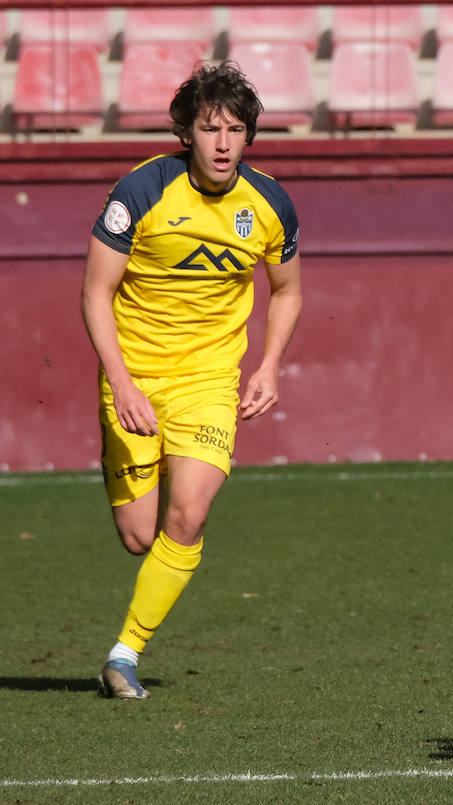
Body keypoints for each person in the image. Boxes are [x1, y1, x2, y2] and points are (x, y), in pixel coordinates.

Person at [82, 63, 303, 700]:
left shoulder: (270, 204)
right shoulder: (141, 190)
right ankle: (134, 461)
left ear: (249, 135)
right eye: (210, 129)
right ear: (187, 134)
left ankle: (124, 655)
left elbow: (287, 291)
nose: (224, 143)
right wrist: (122, 384)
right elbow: (95, 293)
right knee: (138, 537)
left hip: (208, 381)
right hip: (134, 377)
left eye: (235, 129)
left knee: (189, 514)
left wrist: (269, 364)